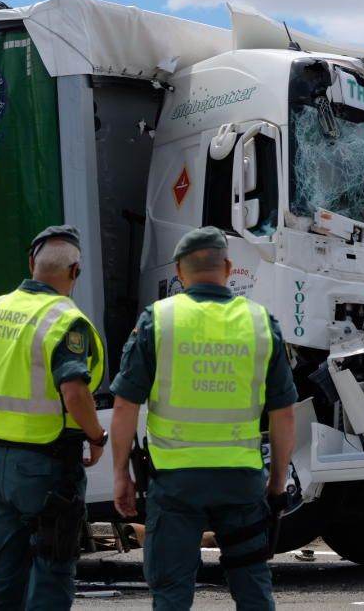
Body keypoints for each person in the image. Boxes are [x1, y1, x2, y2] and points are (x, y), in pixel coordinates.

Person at [110, 226, 297, 611]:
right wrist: (276, 482)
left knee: (172, 592)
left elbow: (125, 407)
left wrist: (120, 476)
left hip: (176, 482)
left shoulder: (158, 320)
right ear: (228, 267)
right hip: (241, 482)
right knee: (252, 589)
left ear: (180, 272)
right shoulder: (261, 323)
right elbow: (283, 413)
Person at [0, 224, 108, 611]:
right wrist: (96, 437)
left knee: (2, 580)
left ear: (31, 263)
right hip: (50, 470)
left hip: (0, 467)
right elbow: (75, 390)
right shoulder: (66, 321)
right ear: (75, 272)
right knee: (50, 579)